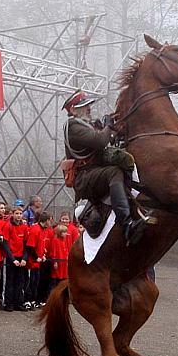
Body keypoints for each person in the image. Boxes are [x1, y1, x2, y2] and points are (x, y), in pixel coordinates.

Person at [63, 89, 144, 244]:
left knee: (123, 160)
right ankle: (126, 224)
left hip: (94, 171)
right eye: (84, 106)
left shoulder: (87, 125)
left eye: (88, 105)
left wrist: (113, 126)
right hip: (84, 177)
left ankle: (133, 199)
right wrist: (107, 127)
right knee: (114, 172)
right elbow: (100, 141)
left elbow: (108, 139)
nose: (89, 108)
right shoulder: (73, 126)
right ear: (73, 110)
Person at [2, 206, 29, 311]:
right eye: (16, 213)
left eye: (20, 214)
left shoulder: (24, 227)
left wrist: (24, 258)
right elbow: (5, 244)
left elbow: (26, 244)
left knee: (20, 281)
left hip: (21, 258)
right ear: (12, 214)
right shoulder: (8, 226)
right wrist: (13, 259)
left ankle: (18, 303)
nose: (19, 216)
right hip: (11, 258)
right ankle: (8, 303)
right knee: (10, 281)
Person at [25, 211, 50, 309]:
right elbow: (30, 246)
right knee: (30, 282)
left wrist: (42, 255)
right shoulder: (35, 230)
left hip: (37, 263)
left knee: (35, 282)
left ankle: (33, 300)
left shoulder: (43, 230)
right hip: (32, 263)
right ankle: (27, 300)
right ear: (46, 220)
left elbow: (40, 246)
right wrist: (37, 257)